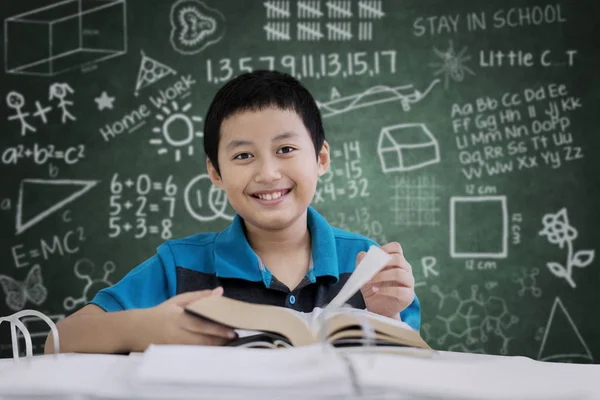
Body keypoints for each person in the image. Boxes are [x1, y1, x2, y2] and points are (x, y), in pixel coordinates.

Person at [44, 70, 420, 354]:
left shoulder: (366, 267)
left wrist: (387, 317)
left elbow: (418, 375)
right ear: (215, 172)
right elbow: (59, 341)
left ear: (320, 158)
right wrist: (145, 326)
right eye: (243, 155)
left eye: (286, 149)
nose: (268, 173)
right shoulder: (179, 265)